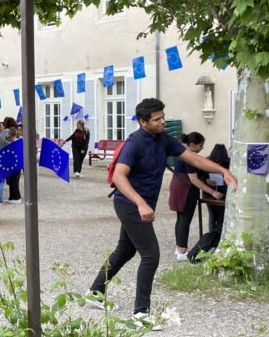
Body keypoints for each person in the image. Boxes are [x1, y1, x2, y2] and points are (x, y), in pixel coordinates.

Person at [87, 98, 236, 323]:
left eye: (163, 117)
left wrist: (223, 171)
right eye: (157, 119)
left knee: (125, 250)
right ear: (143, 122)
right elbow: (119, 176)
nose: (163, 122)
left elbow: (193, 158)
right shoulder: (135, 143)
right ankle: (141, 313)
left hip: (139, 204)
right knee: (151, 255)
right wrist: (140, 203)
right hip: (129, 204)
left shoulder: (163, 139)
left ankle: (95, 292)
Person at [168, 132, 222, 261]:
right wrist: (213, 192)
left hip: (177, 186)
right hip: (186, 189)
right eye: (200, 145)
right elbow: (194, 180)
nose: (202, 148)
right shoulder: (189, 157)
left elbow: (192, 175)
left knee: (180, 218)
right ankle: (182, 251)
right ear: (192, 145)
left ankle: (179, 248)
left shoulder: (181, 153)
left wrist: (206, 181)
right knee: (185, 220)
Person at [187, 143, 230, 262]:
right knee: (212, 215)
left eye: (220, 162)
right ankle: (210, 238)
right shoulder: (205, 163)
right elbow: (199, 178)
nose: (218, 164)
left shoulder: (229, 164)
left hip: (223, 194)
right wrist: (207, 181)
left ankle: (219, 238)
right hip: (209, 194)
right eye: (216, 162)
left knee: (222, 216)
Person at [5, 125, 23, 205]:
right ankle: (11, 197)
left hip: (16, 165)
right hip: (11, 165)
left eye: (9, 134)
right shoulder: (9, 142)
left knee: (15, 182)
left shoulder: (18, 142)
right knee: (11, 182)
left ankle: (17, 198)